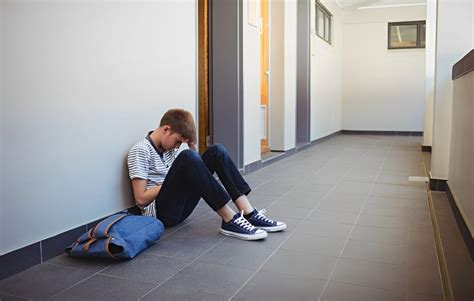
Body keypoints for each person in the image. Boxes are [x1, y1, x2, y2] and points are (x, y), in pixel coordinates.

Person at [127, 108, 286, 240]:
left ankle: (249, 213)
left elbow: (184, 178)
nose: (176, 147)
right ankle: (229, 219)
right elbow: (140, 199)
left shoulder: (168, 149)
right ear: (166, 129)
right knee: (188, 157)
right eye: (177, 141)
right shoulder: (141, 150)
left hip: (181, 209)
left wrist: (192, 148)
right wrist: (170, 180)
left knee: (217, 151)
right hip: (161, 214)